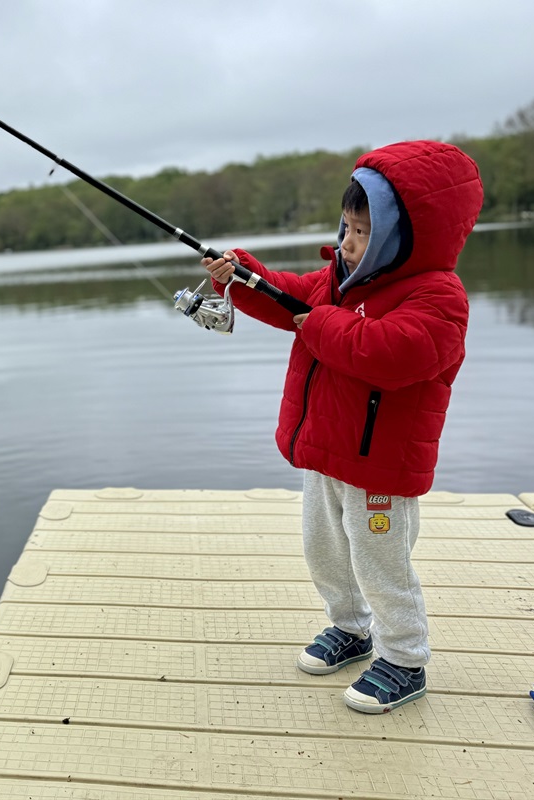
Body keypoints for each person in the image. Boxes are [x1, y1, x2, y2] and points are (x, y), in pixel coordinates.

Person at [202, 140, 483, 713]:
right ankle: (351, 630)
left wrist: (322, 322)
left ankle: (405, 658)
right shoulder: (338, 280)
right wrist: (245, 275)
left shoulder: (438, 297)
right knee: (324, 550)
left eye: (361, 233)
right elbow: (291, 302)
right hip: (327, 455)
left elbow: (392, 353)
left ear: (402, 238)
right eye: (346, 229)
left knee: (381, 562)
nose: (348, 244)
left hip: (380, 468)